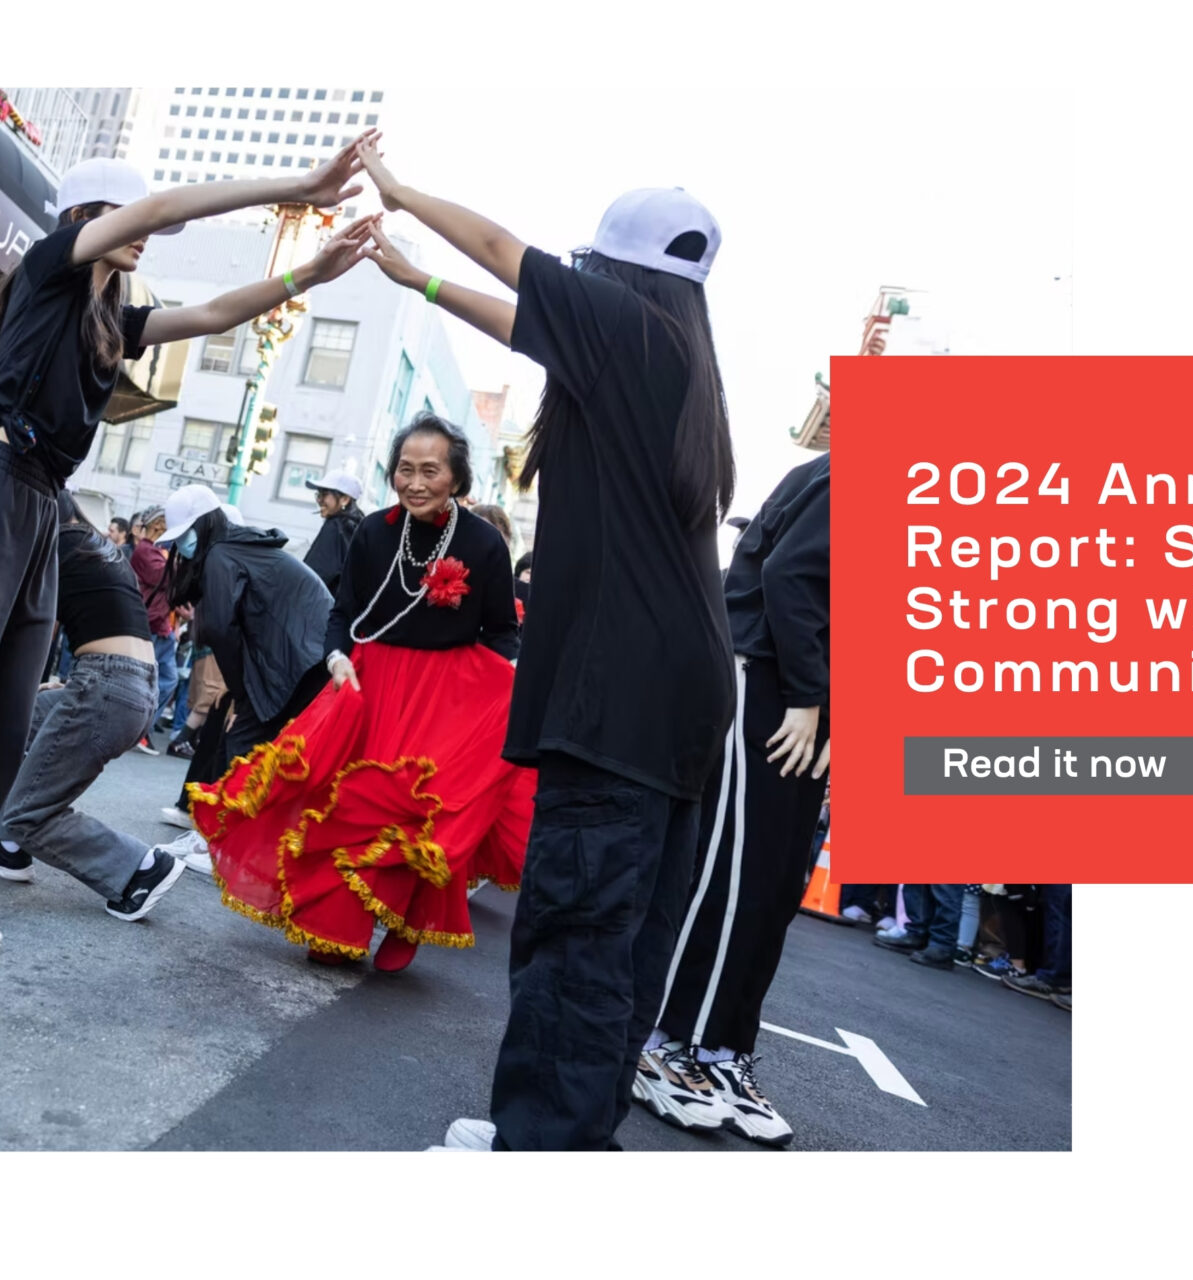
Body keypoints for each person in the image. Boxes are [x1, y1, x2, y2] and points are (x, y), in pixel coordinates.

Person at [0, 142, 381, 983]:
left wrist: (308, 274)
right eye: (125, 217)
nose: (145, 233)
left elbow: (213, 315)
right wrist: (301, 186)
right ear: (84, 219)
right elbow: (159, 209)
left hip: (42, 501)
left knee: (4, 719)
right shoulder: (48, 268)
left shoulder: (104, 320)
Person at [355, 145, 740, 1151]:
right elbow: (519, 317)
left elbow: (501, 253)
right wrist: (418, 280)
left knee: (576, 931)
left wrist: (399, 192)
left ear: (612, 274)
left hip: (618, 691)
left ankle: (539, 1146)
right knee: (627, 937)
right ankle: (570, 1137)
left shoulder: (630, 332)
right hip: (678, 691)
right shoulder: (677, 361)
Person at [197, 415, 532, 972]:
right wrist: (336, 659)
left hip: (446, 696)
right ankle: (335, 924)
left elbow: (501, 632)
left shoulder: (483, 542)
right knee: (347, 805)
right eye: (405, 469)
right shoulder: (374, 531)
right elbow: (343, 613)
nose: (415, 483)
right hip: (370, 684)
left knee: (422, 811)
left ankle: (407, 919)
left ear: (456, 477)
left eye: (430, 471)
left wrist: (497, 694)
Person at [638, 452, 831, 1148]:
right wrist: (810, 695)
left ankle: (721, 1049)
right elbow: (791, 576)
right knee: (728, 877)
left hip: (802, 694)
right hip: (771, 682)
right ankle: (661, 1039)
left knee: (773, 890)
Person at [0, 492, 188, 919]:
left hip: (105, 687)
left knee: (31, 814)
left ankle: (141, 869)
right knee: (15, 723)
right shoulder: (96, 546)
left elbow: (30, 630)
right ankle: (4, 846)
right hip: (127, 685)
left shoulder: (54, 546)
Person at [158, 483, 336, 830]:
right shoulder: (235, 548)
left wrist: (240, 694)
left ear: (203, 524)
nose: (182, 546)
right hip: (307, 653)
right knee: (259, 744)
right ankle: (232, 834)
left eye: (183, 534)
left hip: (300, 655)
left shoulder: (221, 555)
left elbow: (221, 628)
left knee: (244, 741)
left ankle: (224, 835)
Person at [127, 505, 180, 752]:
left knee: (167, 680)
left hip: (160, 625)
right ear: (159, 525)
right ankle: (137, 728)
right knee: (153, 679)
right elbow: (165, 577)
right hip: (151, 623)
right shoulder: (146, 551)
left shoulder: (157, 551)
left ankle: (141, 727)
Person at [299, 471, 366, 596]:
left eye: (324, 494)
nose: (319, 500)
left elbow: (313, 575)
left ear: (344, 499)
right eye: (318, 494)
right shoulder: (358, 527)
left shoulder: (335, 527)